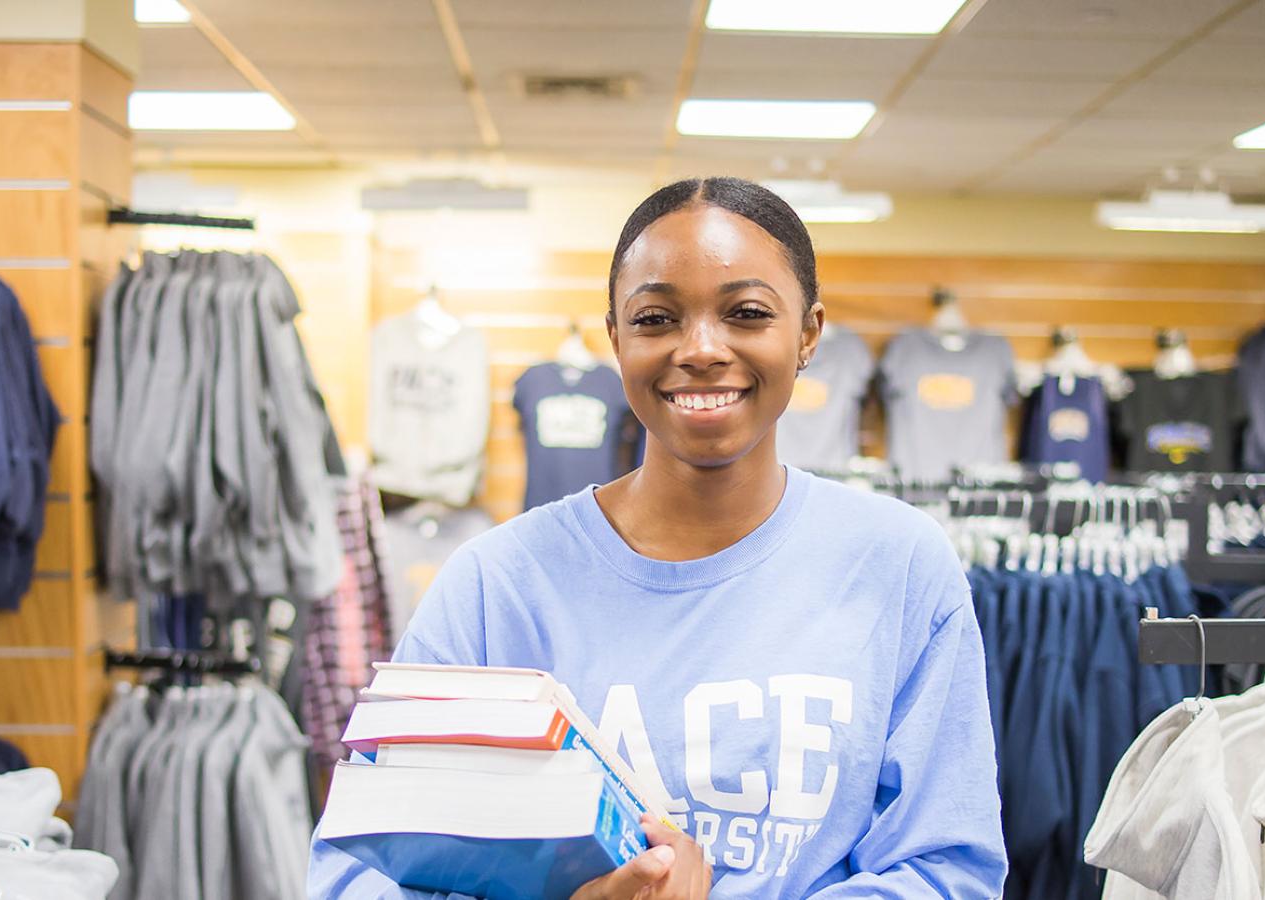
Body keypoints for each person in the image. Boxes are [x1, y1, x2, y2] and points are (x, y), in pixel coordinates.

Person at [308, 177, 1007, 899]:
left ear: (808, 335)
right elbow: (353, 875)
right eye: (655, 318)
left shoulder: (898, 564)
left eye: (746, 313)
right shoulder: (497, 582)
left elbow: (947, 869)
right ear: (615, 338)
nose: (701, 348)